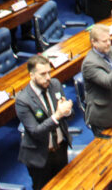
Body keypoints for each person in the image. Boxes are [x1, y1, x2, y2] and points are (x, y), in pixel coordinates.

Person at [15, 55, 73, 188]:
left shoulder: (55, 84)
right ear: (31, 75)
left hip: (60, 148)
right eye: (43, 74)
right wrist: (58, 115)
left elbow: (67, 114)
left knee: (64, 185)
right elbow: (35, 131)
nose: (48, 77)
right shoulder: (23, 100)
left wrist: (67, 111)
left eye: (49, 72)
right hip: (39, 155)